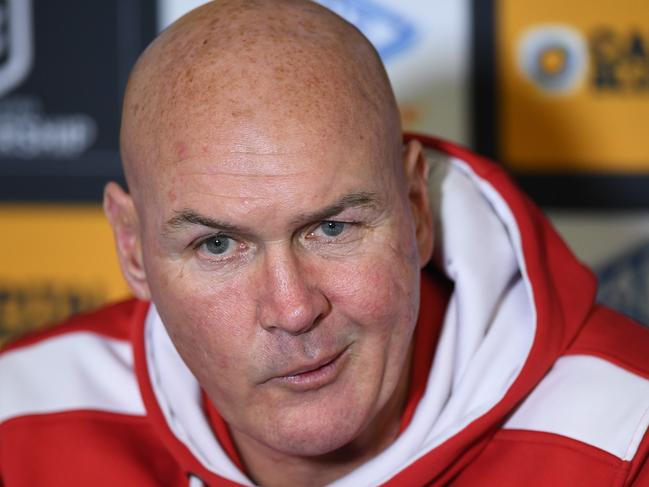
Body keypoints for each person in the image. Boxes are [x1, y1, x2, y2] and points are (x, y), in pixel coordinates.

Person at [1, 1, 648, 485]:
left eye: (331, 228)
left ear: (416, 208)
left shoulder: (624, 431)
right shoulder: (18, 419)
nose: (291, 308)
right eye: (218, 245)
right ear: (133, 248)